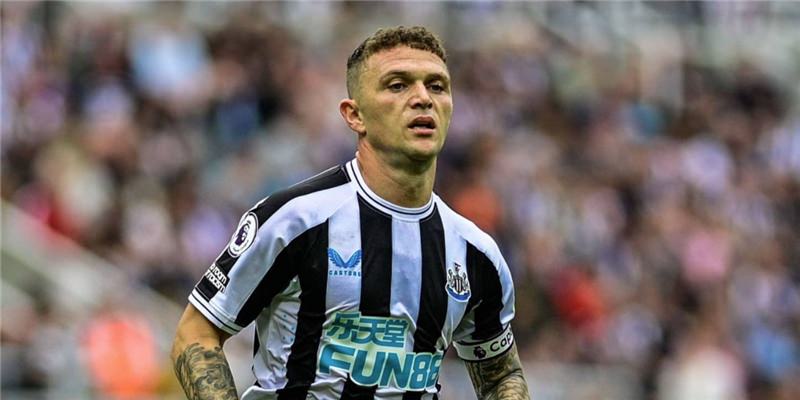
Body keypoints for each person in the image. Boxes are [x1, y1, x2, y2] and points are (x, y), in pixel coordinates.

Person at [171, 26, 531, 400]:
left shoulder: (475, 252)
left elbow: (501, 375)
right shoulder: (295, 220)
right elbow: (196, 333)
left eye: (437, 86)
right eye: (398, 85)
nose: (423, 98)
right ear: (354, 115)